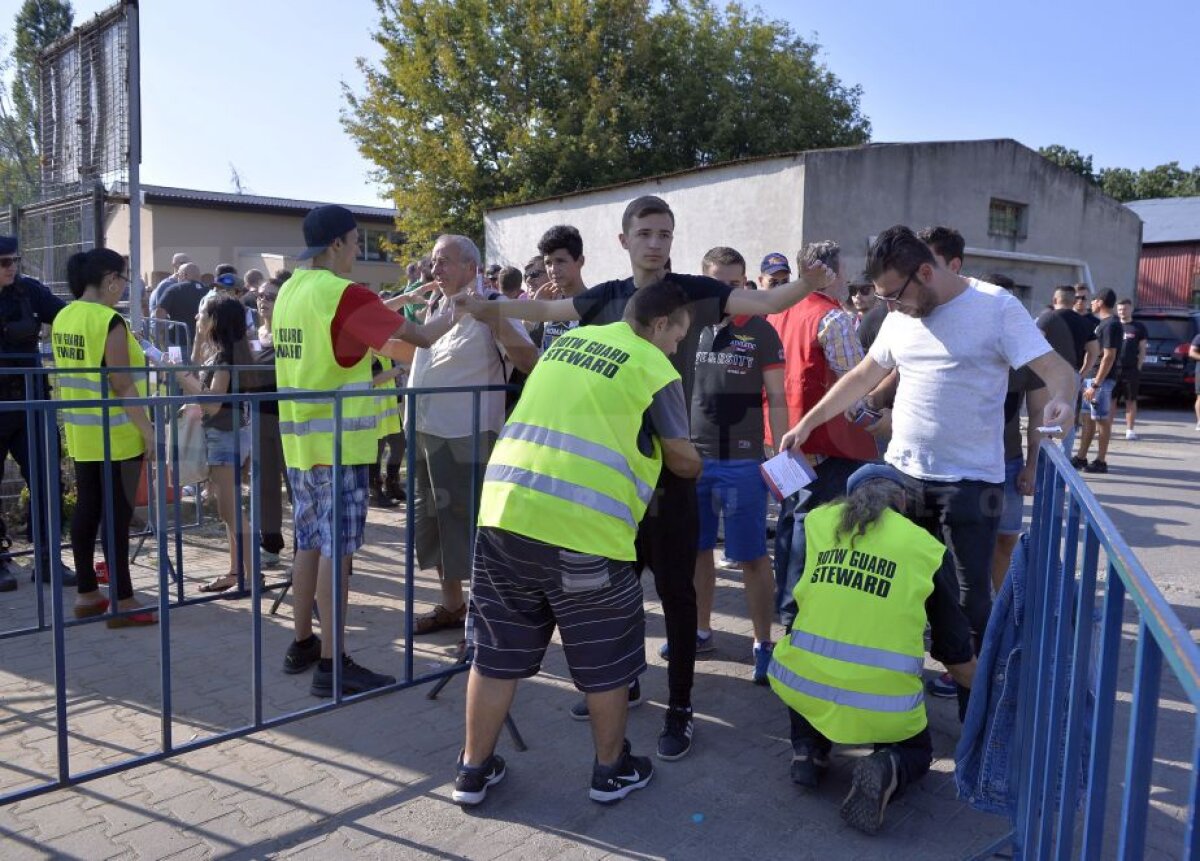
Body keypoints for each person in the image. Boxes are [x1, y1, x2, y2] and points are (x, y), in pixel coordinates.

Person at [463, 194, 833, 760]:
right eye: (645, 233)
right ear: (624, 240)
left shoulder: (694, 291)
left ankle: (680, 707)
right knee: (615, 590)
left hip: (672, 473)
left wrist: (807, 283)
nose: (655, 243)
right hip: (612, 482)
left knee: (678, 595)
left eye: (665, 233)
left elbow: (766, 299)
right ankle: (622, 683)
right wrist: (486, 307)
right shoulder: (607, 297)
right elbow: (546, 312)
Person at [778, 225, 1076, 674]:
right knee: (898, 588)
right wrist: (808, 422)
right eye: (883, 299)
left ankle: (975, 700)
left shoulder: (995, 307)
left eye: (894, 296)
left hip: (971, 484)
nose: (890, 307)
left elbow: (1058, 371)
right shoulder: (900, 313)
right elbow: (862, 376)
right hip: (902, 476)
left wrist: (1063, 401)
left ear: (925, 272)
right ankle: (905, 683)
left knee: (968, 603)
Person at [453, 280, 701, 806]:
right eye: (678, 337)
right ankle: (610, 771)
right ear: (660, 325)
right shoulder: (654, 367)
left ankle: (472, 771)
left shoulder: (569, 341)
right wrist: (698, 460)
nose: (676, 347)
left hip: (503, 514)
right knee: (605, 657)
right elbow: (682, 459)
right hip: (583, 532)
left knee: (495, 652)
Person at [273, 204, 456, 697]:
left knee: (309, 543)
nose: (359, 250)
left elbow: (352, 332)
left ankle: (303, 642)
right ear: (336, 243)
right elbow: (422, 337)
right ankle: (333, 665)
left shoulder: (292, 289)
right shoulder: (343, 293)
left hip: (301, 442)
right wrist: (458, 309)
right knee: (337, 552)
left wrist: (400, 302)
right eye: (357, 242)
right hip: (340, 445)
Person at [767, 463, 976, 834]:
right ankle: (889, 764)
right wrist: (992, 696)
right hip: (882, 703)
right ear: (902, 501)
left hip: (804, 685)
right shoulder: (925, 549)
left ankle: (807, 749)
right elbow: (954, 652)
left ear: (850, 498)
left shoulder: (817, 523)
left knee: (804, 660)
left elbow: (791, 607)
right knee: (916, 751)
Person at [408, 235, 537, 638]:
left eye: (444, 261)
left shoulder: (493, 303)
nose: (436, 268)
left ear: (471, 267)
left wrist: (491, 319)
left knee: (472, 532)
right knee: (435, 526)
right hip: (426, 431)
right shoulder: (438, 303)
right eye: (434, 261)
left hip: (467, 435)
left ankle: (484, 623)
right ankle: (453, 607)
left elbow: (528, 360)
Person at [689, 247, 787, 684]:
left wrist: (781, 454)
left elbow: (778, 397)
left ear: (745, 283)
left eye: (734, 284)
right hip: (692, 459)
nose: (727, 292)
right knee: (697, 551)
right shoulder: (689, 325)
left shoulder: (761, 330)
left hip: (743, 461)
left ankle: (763, 643)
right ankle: (700, 631)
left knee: (751, 557)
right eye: (718, 284)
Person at [767, 241, 877, 627]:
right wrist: (877, 418)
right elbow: (855, 380)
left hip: (780, 433)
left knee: (790, 517)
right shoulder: (833, 318)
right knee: (810, 522)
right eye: (842, 268)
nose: (846, 276)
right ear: (830, 273)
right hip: (824, 438)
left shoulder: (778, 310)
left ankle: (784, 602)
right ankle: (796, 611)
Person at [53, 248, 156, 625]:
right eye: (124, 279)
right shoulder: (109, 321)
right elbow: (123, 383)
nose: (124, 287)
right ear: (111, 279)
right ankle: (123, 602)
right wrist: (149, 433)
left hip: (82, 434)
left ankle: (87, 594)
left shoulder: (64, 316)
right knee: (117, 517)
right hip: (118, 435)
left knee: (87, 510)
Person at [0, 234, 74, 592]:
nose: (11, 268)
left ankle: (47, 558)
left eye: (15, 260)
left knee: (47, 481)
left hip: (32, 401)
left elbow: (67, 316)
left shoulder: (29, 291)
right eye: (4, 263)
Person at [177, 294, 263, 593]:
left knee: (231, 512)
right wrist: (198, 339)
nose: (197, 318)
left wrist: (181, 375)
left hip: (226, 438)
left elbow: (213, 403)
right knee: (229, 512)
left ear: (216, 320)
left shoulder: (226, 358)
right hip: (226, 436)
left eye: (202, 314)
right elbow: (199, 369)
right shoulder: (226, 352)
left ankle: (252, 577)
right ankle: (236, 573)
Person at [1073, 288, 1121, 474]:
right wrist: (1084, 375)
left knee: (1101, 420)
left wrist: (1096, 384)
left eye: (1093, 300)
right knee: (1087, 419)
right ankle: (1081, 457)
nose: (1090, 303)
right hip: (1091, 377)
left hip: (1101, 381)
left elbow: (1109, 356)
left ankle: (1101, 461)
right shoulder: (1101, 324)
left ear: (1100, 302)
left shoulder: (1111, 325)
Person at [534, 224, 587, 351]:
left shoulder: (596, 305)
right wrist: (537, 310)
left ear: (580, 261)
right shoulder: (547, 301)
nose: (553, 269)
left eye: (560, 261)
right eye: (548, 263)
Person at [1113, 298, 1147, 440]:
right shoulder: (1113, 325)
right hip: (1113, 369)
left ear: (1131, 309)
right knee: (1111, 400)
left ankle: (1130, 430)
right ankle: (1107, 427)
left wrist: (1138, 366)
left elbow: (1142, 348)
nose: (1122, 311)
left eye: (1125, 309)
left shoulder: (1138, 327)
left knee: (1131, 400)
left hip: (1131, 370)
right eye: (1120, 309)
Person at [154, 262, 207, 350]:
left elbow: (160, 312)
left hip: (178, 341)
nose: (177, 277)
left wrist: (162, 333)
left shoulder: (174, 289)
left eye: (178, 275)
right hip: (204, 342)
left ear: (184, 275)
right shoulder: (209, 291)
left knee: (178, 360)